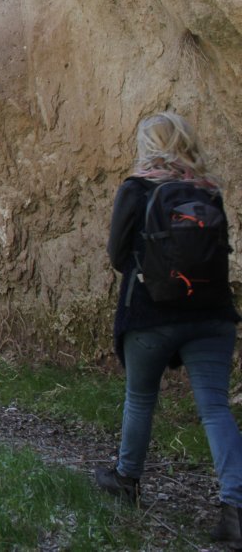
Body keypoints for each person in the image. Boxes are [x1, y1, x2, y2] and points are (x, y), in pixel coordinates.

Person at [96, 112, 242, 546]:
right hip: (213, 315)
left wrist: (152, 274)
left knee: (141, 399)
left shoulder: (136, 187)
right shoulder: (208, 190)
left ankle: (127, 480)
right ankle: (235, 509)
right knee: (215, 408)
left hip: (150, 313)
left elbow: (117, 254)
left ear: (146, 145)